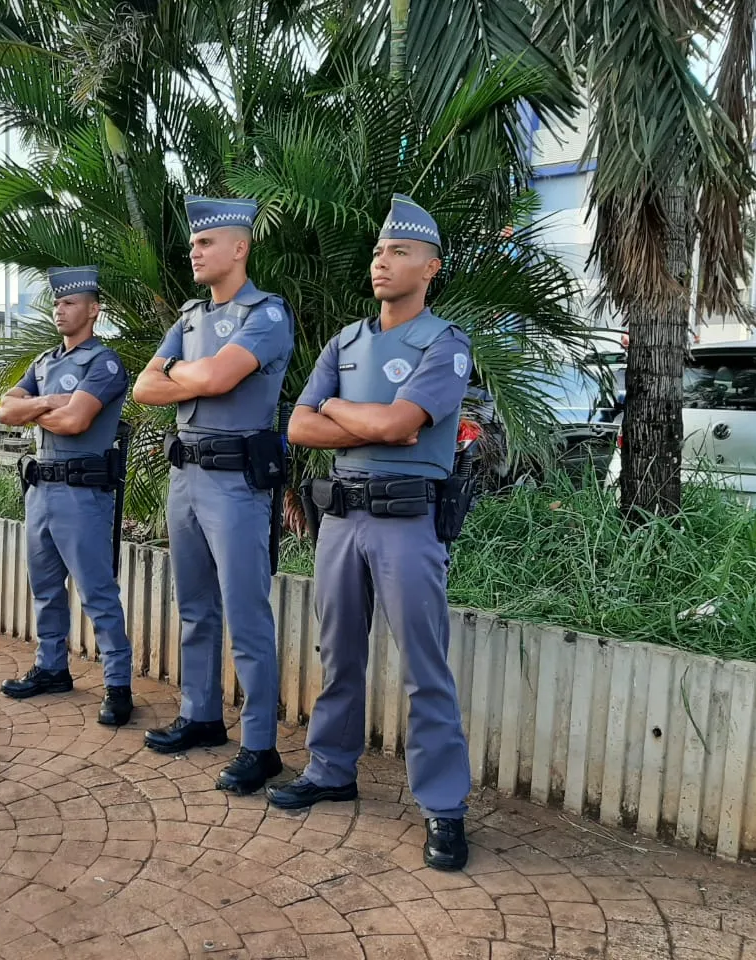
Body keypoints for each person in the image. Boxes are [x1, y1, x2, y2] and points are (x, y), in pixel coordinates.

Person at [266, 194, 474, 873]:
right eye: (381, 251)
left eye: (401, 252)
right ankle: (330, 769)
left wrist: (341, 410)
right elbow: (298, 427)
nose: (384, 262)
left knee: (425, 664)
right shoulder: (345, 342)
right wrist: (358, 413)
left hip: (408, 522)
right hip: (341, 520)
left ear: (431, 267)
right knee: (338, 651)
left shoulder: (445, 344)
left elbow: (401, 427)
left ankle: (443, 807)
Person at [132, 196, 294, 795]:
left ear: (239, 248)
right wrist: (186, 377)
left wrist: (180, 376)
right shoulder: (190, 319)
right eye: (193, 243)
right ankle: (201, 715)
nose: (193, 251)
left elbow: (219, 378)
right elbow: (144, 388)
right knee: (195, 608)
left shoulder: (267, 315)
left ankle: (260, 745)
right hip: (187, 478)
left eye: (205, 243)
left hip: (236, 484)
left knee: (247, 615)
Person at [0, 267, 135, 727]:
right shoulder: (44, 362)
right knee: (45, 589)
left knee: (98, 593)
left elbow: (77, 423)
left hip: (83, 494)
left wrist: (35, 410)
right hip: (41, 490)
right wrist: (50, 404)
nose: (60, 309)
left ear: (93, 310)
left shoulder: (104, 363)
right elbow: (4, 411)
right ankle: (52, 667)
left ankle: (118, 685)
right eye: (57, 303)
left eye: (70, 303)